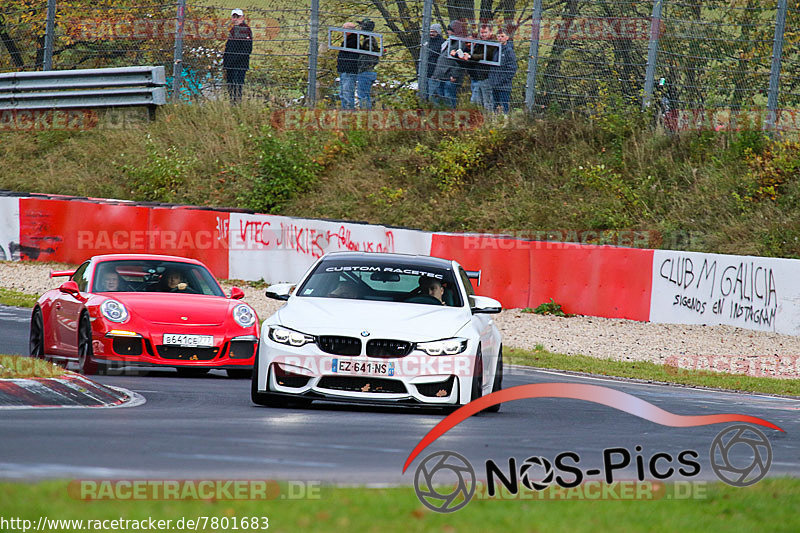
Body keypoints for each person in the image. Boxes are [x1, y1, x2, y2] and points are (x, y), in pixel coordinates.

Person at [453, 23, 496, 111]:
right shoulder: (479, 43)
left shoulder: (492, 43)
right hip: (476, 76)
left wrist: (470, 56)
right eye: (482, 33)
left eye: (485, 32)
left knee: (487, 102)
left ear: (491, 32)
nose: (483, 35)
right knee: (475, 102)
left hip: (486, 77)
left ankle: (489, 120)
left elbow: (485, 55)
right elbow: (471, 58)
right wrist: (458, 56)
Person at [431, 21, 466, 108]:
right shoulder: (449, 41)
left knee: (449, 98)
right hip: (440, 74)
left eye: (450, 30)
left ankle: (450, 116)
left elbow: (460, 61)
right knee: (439, 98)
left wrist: (454, 75)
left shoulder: (460, 43)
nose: (448, 32)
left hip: (449, 76)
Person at [222, 9, 253, 104]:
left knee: (237, 88)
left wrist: (231, 61)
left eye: (238, 17)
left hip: (239, 65)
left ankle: (236, 105)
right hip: (230, 65)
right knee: (231, 88)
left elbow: (246, 50)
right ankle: (233, 105)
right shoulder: (234, 30)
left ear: (242, 18)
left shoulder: (245, 29)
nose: (235, 19)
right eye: (233, 17)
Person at [490, 26, 517, 113]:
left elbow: (512, 68)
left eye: (502, 36)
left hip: (504, 86)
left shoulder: (509, 51)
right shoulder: (496, 50)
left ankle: (505, 122)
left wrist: (503, 80)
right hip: (494, 84)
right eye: (498, 36)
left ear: (507, 37)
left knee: (504, 106)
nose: (500, 38)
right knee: (495, 106)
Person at [356, 19, 380, 109]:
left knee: (363, 95)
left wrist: (360, 66)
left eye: (361, 26)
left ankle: (365, 115)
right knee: (364, 94)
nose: (360, 28)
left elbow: (367, 58)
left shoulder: (369, 40)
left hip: (366, 71)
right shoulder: (369, 39)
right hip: (368, 71)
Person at [336, 22, 360, 110]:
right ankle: (345, 111)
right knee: (343, 93)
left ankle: (349, 112)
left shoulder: (352, 42)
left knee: (347, 94)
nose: (342, 31)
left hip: (349, 71)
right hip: (345, 70)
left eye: (344, 29)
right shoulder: (351, 40)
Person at [424, 23, 445, 102]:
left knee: (433, 95)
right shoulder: (426, 41)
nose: (431, 33)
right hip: (425, 72)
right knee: (423, 93)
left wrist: (437, 73)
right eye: (430, 31)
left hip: (435, 73)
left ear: (438, 32)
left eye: (433, 32)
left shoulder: (442, 43)